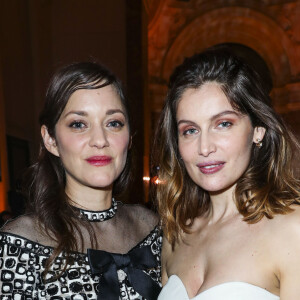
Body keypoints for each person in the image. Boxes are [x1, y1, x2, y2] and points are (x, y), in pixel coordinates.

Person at [0, 62, 162, 299]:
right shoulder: (18, 244)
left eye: (113, 123)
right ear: (51, 140)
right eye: (78, 124)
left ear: (129, 136)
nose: (100, 140)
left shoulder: (154, 229)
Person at [154, 46, 300, 299]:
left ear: (258, 130)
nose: (205, 147)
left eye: (223, 124)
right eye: (190, 130)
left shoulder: (291, 229)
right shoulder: (175, 233)